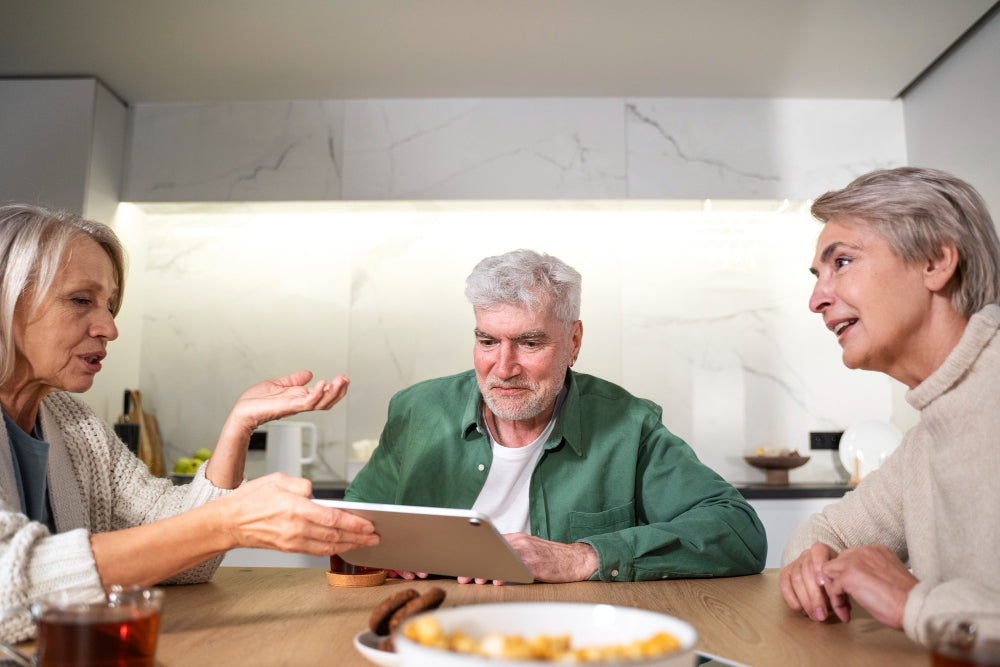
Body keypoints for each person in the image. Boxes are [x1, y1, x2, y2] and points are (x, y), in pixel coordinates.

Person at [0, 204, 378, 643]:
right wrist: (226, 523)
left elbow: (187, 556)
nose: (109, 327)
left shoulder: (73, 424)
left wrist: (238, 426)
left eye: (109, 304)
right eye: (81, 300)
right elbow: (9, 583)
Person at [346, 248, 766, 583]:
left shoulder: (629, 426)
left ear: (574, 341)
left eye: (529, 343)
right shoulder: (416, 410)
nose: (504, 367)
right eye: (488, 341)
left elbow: (738, 532)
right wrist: (383, 550)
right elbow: (351, 523)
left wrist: (583, 558)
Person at [779, 167, 1000, 645]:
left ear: (935, 262)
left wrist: (914, 604)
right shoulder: (927, 437)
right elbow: (824, 532)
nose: (816, 298)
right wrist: (812, 563)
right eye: (818, 275)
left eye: (841, 262)